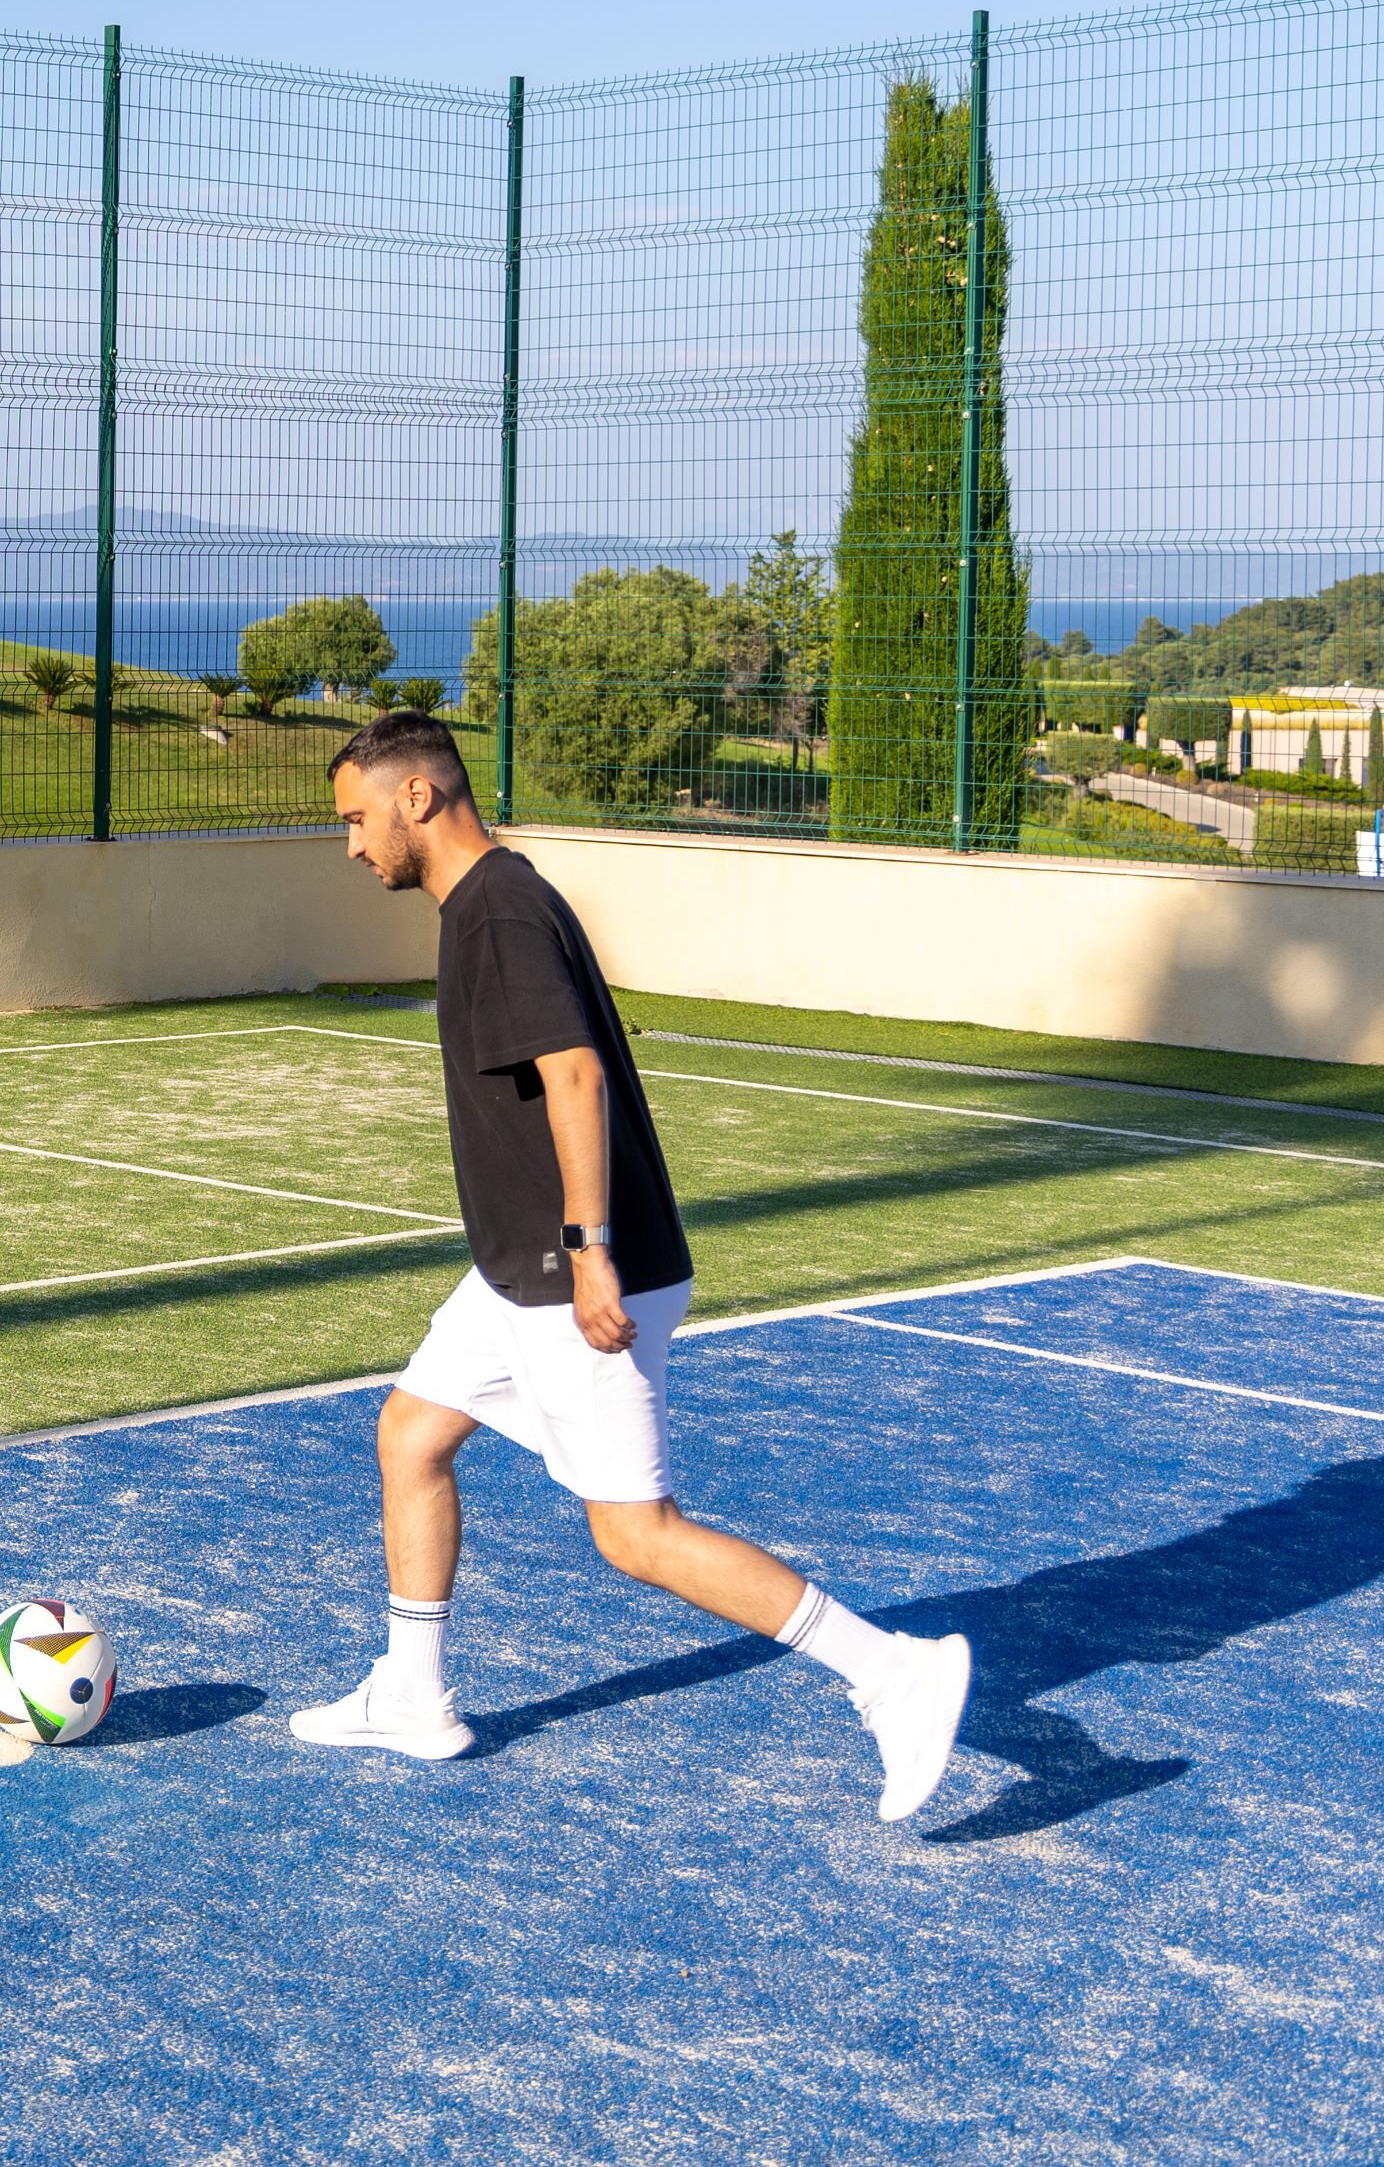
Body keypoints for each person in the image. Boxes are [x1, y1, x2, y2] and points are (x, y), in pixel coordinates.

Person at [291, 711, 973, 1823]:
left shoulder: (501, 912)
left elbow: (573, 1079)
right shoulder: (484, 904)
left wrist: (589, 1250)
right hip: (518, 1271)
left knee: (636, 1534)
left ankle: (893, 1670)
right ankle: (411, 1696)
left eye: (357, 818)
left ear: (416, 797)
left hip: (575, 1275)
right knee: (410, 1432)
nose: (352, 844)